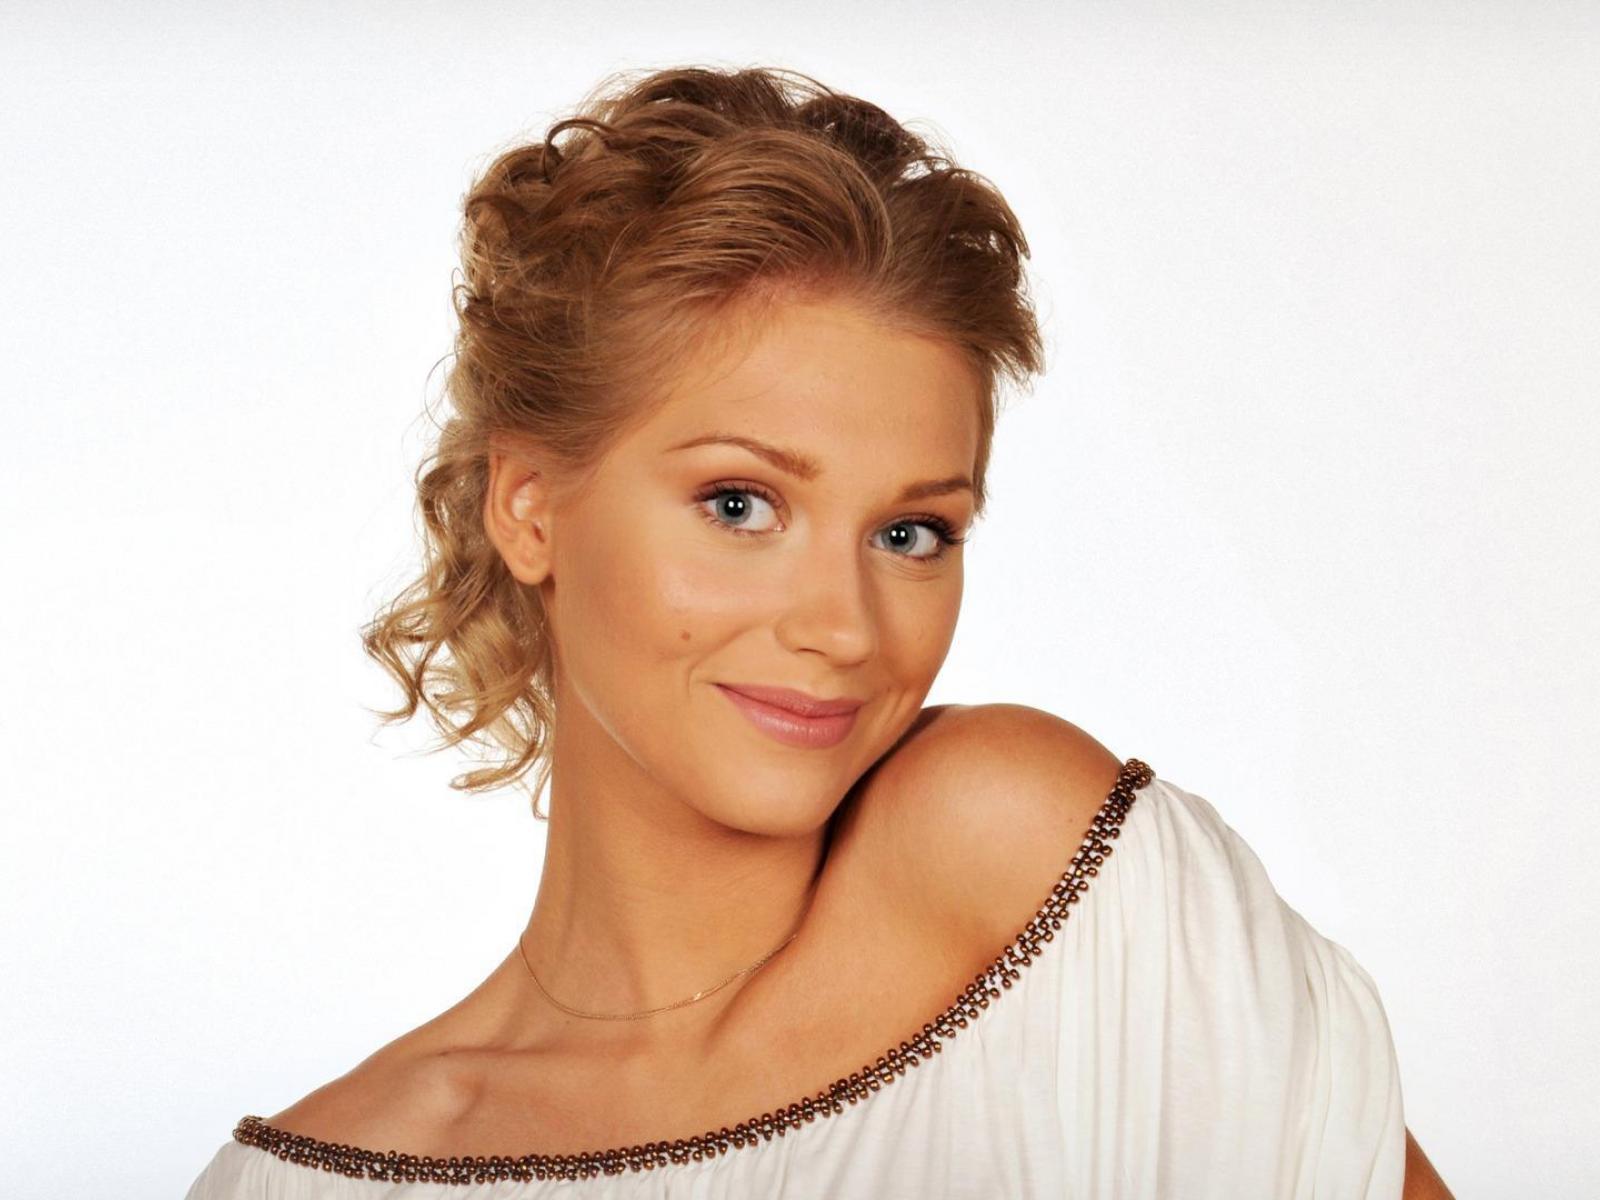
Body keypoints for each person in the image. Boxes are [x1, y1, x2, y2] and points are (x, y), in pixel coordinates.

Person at [184, 64, 1452, 1198]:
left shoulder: (1025, 869)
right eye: (739, 505)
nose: (843, 628)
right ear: (528, 509)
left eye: (911, 532)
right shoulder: (307, 1182)